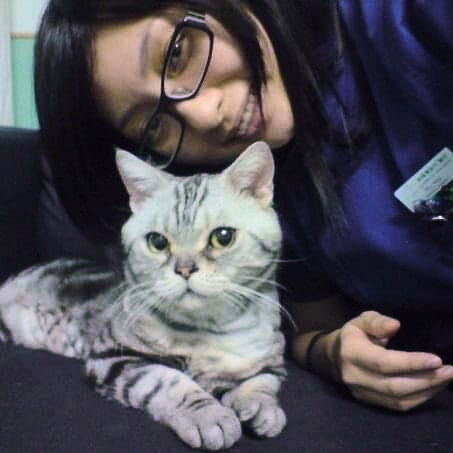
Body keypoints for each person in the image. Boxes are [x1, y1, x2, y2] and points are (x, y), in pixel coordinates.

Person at [32, 0, 453, 413]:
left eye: (177, 53)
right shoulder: (262, 189)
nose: (204, 115)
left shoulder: (406, 19)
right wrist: (336, 355)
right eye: (153, 126)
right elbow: (313, 328)